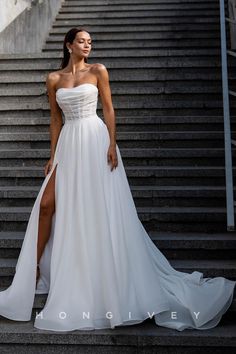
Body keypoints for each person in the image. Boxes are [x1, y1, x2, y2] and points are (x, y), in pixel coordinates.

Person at [0, 27, 235, 332]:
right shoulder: (54, 79)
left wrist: (112, 144)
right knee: (47, 204)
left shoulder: (98, 71)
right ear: (69, 44)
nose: (87, 45)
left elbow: (109, 109)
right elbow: (55, 119)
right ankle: (32, 271)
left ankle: (100, 274)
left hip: (95, 140)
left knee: (97, 207)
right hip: (68, 144)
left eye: (90, 42)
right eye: (82, 41)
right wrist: (51, 155)